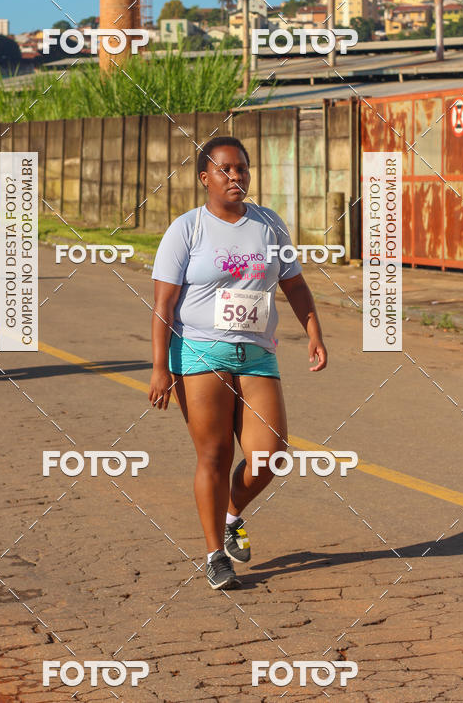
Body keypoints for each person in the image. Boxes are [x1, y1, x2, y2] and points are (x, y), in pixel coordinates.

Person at [149, 136, 327, 590]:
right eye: (225, 170)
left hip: (256, 353)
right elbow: (163, 305)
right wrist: (158, 367)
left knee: (270, 457)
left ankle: (232, 516)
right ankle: (214, 556)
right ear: (204, 177)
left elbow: (295, 284)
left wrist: (314, 333)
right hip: (199, 352)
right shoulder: (187, 229)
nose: (236, 177)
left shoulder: (269, 224)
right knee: (214, 454)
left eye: (242, 169)